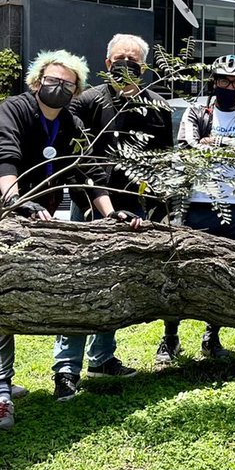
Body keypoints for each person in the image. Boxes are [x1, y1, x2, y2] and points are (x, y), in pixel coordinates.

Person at [0, 50, 141, 431]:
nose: (58, 88)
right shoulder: (13, 110)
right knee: (0, 300)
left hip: (39, 215)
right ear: (36, 81)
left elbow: (89, 170)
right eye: (52, 80)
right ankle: (0, 394)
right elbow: (4, 155)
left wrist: (110, 213)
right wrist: (16, 201)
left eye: (67, 84)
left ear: (76, 89)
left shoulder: (71, 123)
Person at [51, 34, 173, 402]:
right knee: (81, 285)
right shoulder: (86, 103)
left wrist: (159, 209)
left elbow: (164, 162)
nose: (126, 66)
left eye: (134, 60)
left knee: (117, 285)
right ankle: (66, 369)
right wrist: (92, 203)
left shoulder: (158, 107)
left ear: (145, 66)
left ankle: (102, 357)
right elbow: (77, 161)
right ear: (107, 64)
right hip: (89, 207)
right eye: (119, 59)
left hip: (134, 210)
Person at [156, 54, 235, 364]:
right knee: (181, 271)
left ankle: (212, 334)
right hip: (198, 205)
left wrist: (216, 144)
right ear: (213, 82)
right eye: (223, 80)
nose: (229, 86)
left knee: (224, 272)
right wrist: (234, 146)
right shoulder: (196, 113)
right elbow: (190, 145)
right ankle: (170, 337)